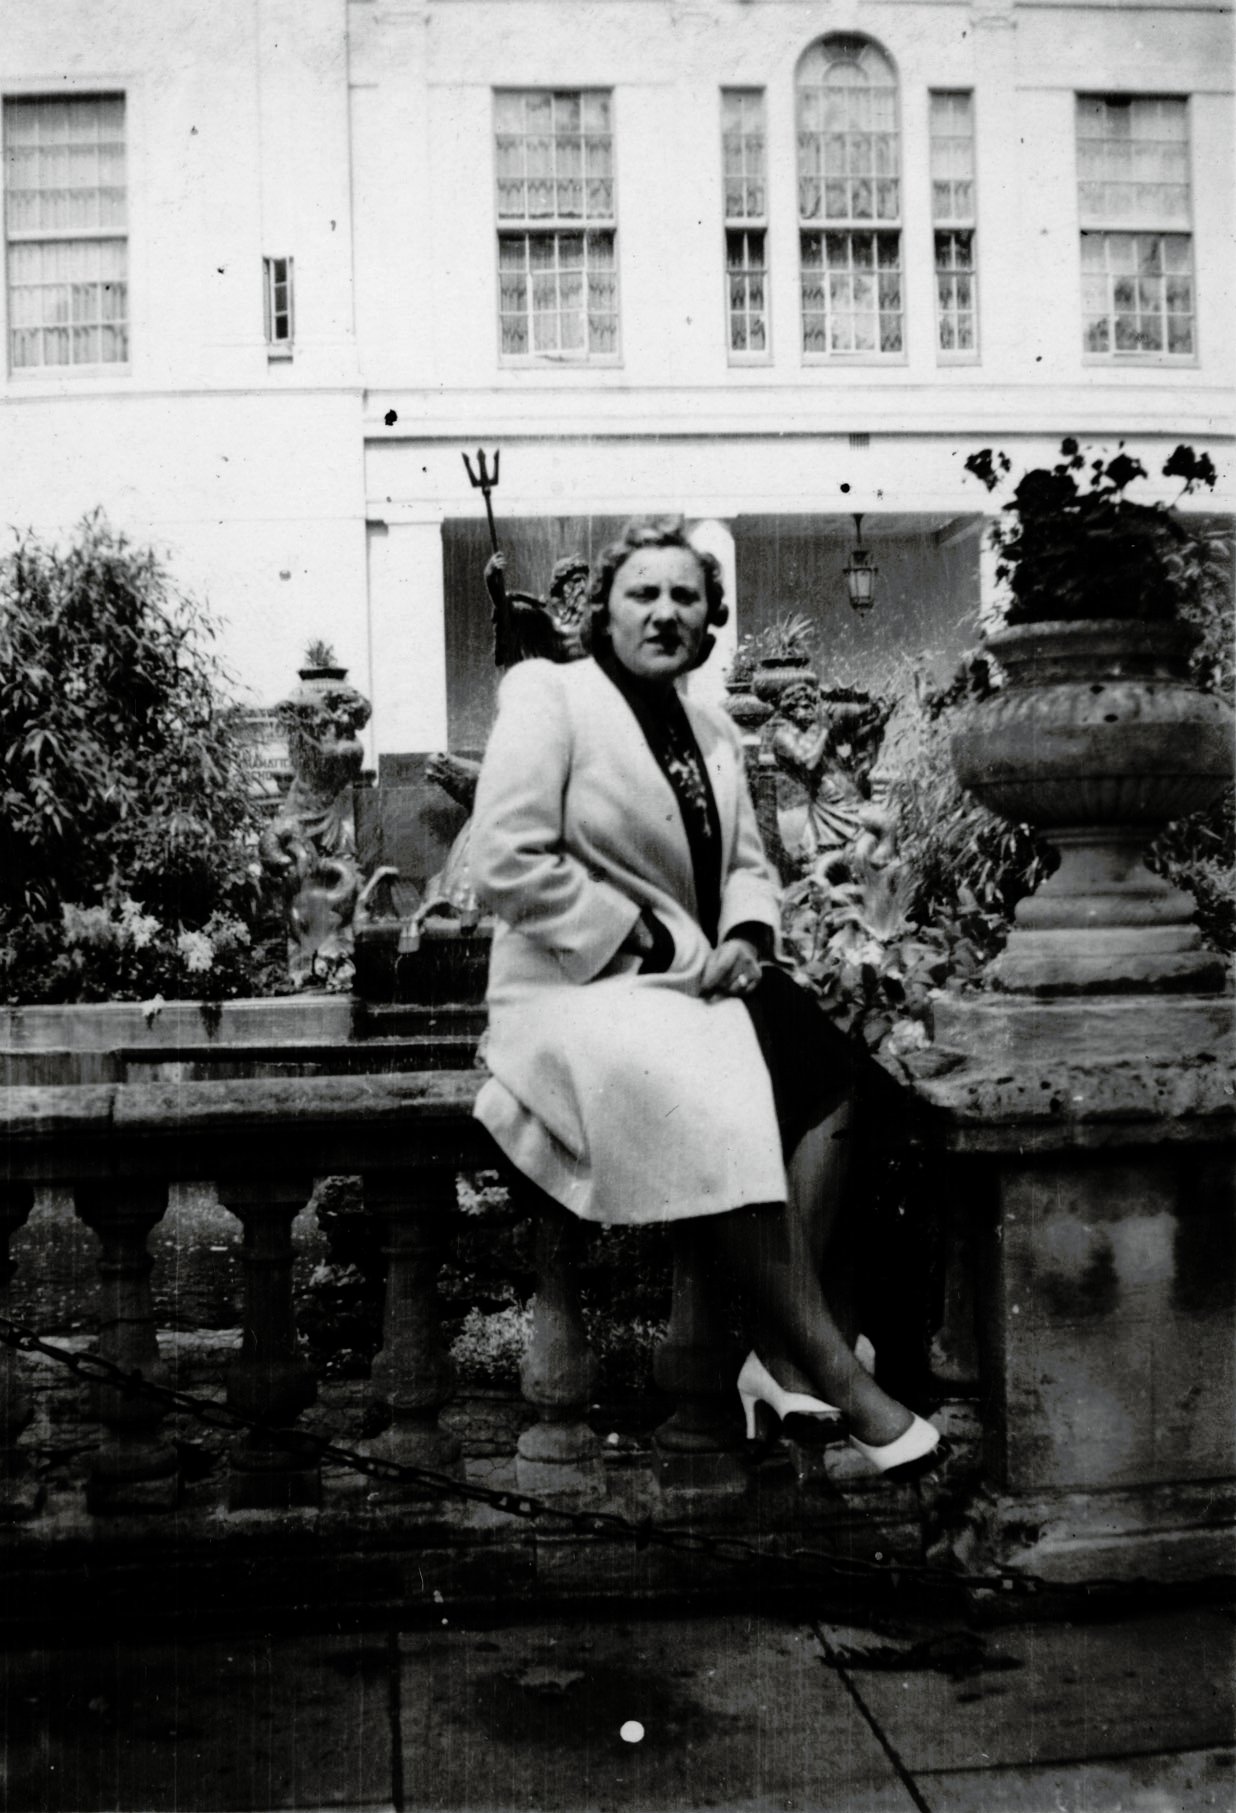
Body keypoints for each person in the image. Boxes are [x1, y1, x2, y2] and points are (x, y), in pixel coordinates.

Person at [469, 518, 940, 1475]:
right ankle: (840, 1381)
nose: (664, 612)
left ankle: (778, 1352)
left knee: (836, 1074)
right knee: (720, 1081)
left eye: (686, 596)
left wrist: (746, 937)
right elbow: (505, 862)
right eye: (642, 593)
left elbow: (750, 868)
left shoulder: (715, 728)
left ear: (710, 620)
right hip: (572, 985)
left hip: (689, 982)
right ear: (605, 613)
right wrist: (644, 937)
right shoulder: (550, 695)